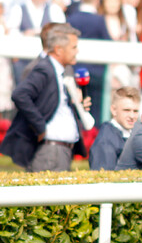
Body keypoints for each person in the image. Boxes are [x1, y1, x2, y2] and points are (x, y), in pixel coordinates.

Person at [0, 23, 89, 172]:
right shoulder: (45, 68)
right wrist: (40, 126)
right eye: (73, 47)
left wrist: (78, 104)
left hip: (59, 150)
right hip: (50, 152)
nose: (77, 51)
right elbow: (20, 94)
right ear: (59, 50)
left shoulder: (62, 69)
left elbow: (55, 103)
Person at [89, 86, 141, 170]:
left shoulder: (134, 133)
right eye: (126, 110)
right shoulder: (105, 141)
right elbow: (105, 178)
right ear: (113, 110)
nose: (132, 116)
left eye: (135, 111)